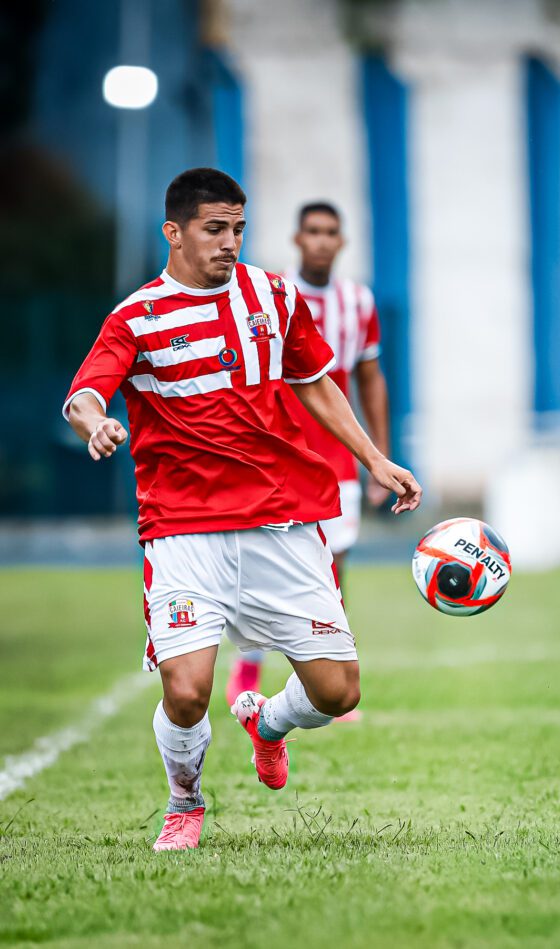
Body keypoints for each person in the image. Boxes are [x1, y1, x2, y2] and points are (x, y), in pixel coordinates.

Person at [62, 168, 421, 852]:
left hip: (280, 523)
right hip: (183, 530)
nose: (230, 243)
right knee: (189, 688)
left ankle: (267, 725)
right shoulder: (136, 316)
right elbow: (86, 393)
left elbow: (316, 385)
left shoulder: (274, 296)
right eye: (214, 230)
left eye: (238, 229)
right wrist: (94, 423)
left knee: (339, 691)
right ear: (174, 232)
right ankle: (185, 800)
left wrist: (375, 459)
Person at [224, 201, 390, 711]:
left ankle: (328, 675)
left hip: (336, 459)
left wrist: (378, 458)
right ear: (298, 239)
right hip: (277, 455)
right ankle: (248, 665)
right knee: (256, 564)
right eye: (312, 231)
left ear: (341, 242)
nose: (321, 240)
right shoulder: (268, 296)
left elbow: (368, 380)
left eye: (330, 233)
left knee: (331, 569)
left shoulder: (357, 302)